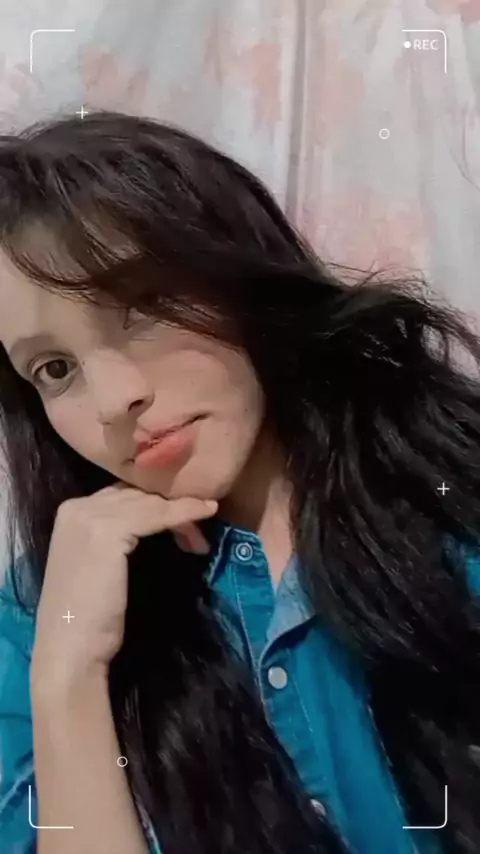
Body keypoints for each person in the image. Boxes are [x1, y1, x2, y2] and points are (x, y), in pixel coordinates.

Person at [0, 111, 479, 854]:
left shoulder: (446, 488)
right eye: (54, 369)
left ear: (235, 273)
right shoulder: (34, 616)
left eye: (142, 308)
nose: (114, 399)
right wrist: (68, 680)